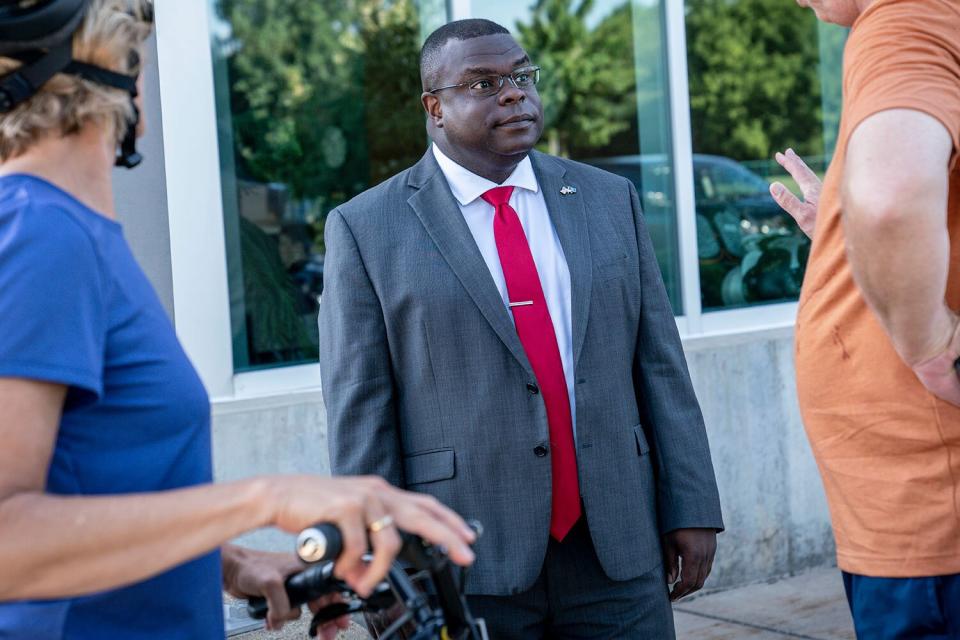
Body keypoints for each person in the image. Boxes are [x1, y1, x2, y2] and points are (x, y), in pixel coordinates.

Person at [0, 2, 476, 639]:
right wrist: (266, 499)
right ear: (112, 69)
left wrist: (229, 560)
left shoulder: (72, 233)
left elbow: (91, 482)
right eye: (139, 52)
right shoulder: (39, 232)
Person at [318, 18, 723, 639]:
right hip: (463, 557)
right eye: (483, 83)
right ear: (435, 108)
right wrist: (379, 561)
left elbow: (660, 365)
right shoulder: (366, 229)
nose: (513, 94)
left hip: (615, 546)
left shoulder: (609, 199)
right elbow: (360, 409)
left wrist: (691, 505)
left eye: (521, 76)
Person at [769, 0, 960, 635]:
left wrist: (937, 346)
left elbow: (892, 202)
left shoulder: (908, 18)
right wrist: (842, 231)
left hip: (928, 518)